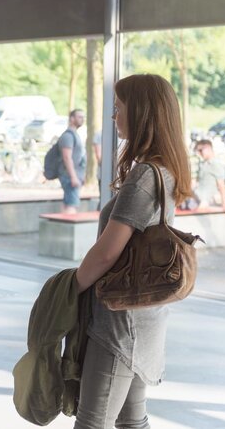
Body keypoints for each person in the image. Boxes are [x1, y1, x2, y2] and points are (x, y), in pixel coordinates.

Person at [72, 74, 192, 428]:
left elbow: (107, 252)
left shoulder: (144, 177)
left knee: (93, 423)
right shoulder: (165, 170)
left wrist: (68, 289)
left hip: (120, 323)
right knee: (131, 421)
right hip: (144, 317)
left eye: (119, 108)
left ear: (142, 113)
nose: (114, 116)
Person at [192, 139, 225, 213]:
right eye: (198, 151)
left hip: (205, 201)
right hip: (197, 197)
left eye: (200, 150)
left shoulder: (216, 164)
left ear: (208, 148)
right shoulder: (203, 163)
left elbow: (221, 185)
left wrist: (224, 206)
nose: (199, 153)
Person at [59, 109, 87, 213]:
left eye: (83, 117)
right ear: (71, 119)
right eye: (79, 117)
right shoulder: (68, 136)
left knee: (68, 203)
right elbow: (67, 157)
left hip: (73, 176)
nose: (82, 119)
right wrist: (73, 177)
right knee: (72, 205)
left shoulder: (74, 135)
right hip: (69, 177)